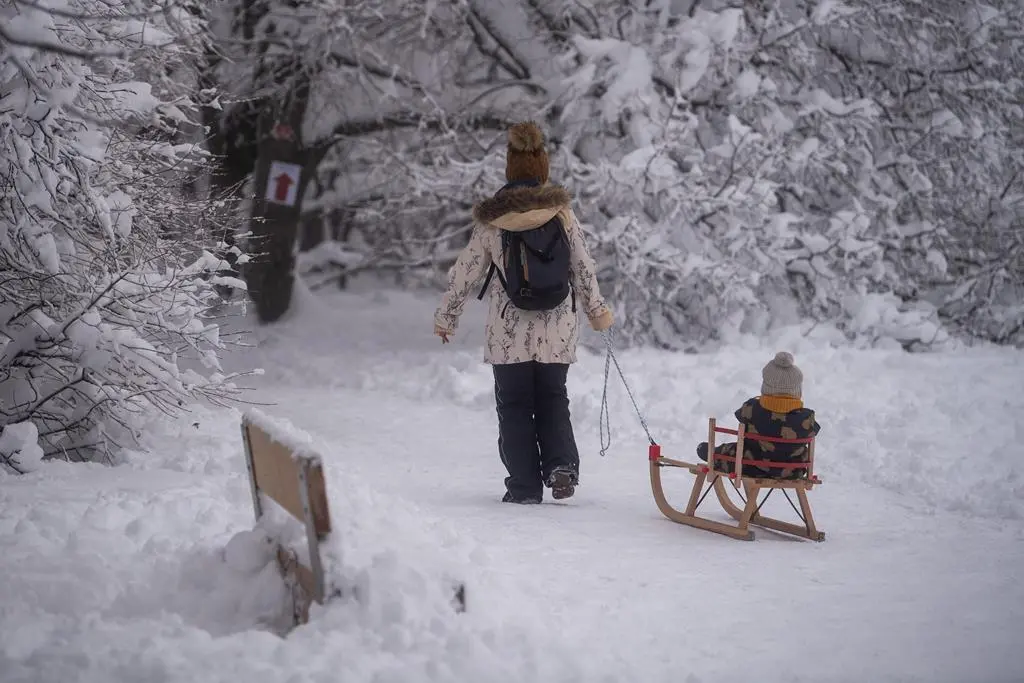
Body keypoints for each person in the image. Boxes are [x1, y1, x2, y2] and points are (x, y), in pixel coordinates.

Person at [434, 121, 613, 504]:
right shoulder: (562, 213)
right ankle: (561, 466)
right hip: (557, 326)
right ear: (543, 168)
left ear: (509, 169)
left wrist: (447, 316)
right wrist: (597, 312)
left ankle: (524, 487)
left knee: (514, 405)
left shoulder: (493, 220)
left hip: (508, 330)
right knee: (553, 397)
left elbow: (465, 272)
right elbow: (583, 265)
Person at [697, 351, 821, 479]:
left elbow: (741, 417)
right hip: (793, 471)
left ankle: (714, 454)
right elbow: (814, 431)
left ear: (766, 387)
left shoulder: (751, 409)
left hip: (751, 467)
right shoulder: (806, 418)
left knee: (732, 452)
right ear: (797, 390)